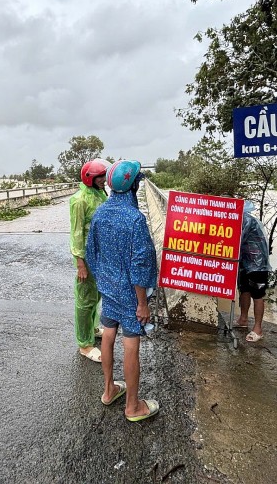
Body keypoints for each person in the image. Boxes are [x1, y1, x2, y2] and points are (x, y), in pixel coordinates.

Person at [86, 160, 160, 422]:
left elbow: (91, 253)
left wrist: (105, 281)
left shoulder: (101, 213)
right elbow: (140, 264)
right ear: (133, 185)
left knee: (107, 334)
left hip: (108, 290)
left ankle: (109, 390)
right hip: (130, 295)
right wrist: (142, 303)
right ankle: (133, 406)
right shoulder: (135, 219)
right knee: (131, 345)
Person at [69, 159, 111, 363]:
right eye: (100, 177)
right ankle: (85, 344)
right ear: (90, 178)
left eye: (104, 176)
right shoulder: (79, 200)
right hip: (86, 257)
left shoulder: (100, 193)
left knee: (96, 295)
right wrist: (80, 263)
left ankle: (93, 329)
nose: (104, 180)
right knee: (85, 300)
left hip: (100, 255)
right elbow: (76, 233)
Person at [234, 200, 272, 342]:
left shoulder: (246, 220)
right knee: (244, 290)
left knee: (257, 294)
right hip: (245, 261)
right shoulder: (236, 219)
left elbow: (236, 240)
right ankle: (243, 320)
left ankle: (258, 329)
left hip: (258, 264)